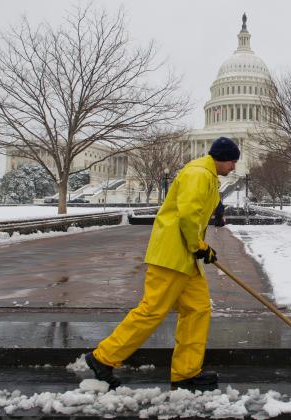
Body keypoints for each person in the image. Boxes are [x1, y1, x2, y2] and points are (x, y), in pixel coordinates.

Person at [85, 136, 240, 390]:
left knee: (198, 310)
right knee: (152, 311)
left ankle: (186, 373)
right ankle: (102, 358)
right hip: (172, 255)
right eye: (232, 161)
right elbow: (188, 216)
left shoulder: (207, 175)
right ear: (222, 158)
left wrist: (218, 207)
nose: (234, 167)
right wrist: (200, 247)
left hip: (185, 259)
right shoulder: (199, 173)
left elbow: (198, 203)